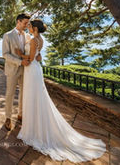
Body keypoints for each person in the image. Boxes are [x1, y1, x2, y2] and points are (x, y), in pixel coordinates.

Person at [16, 19, 106, 162]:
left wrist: (20, 53)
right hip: (36, 71)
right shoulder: (40, 39)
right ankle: (36, 126)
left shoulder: (34, 40)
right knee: (37, 98)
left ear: (35, 29)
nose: (28, 28)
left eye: (30, 26)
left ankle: (34, 130)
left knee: (33, 97)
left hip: (31, 70)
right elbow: (39, 56)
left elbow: (32, 58)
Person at [2, 13, 41, 131]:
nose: (26, 25)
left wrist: (39, 55)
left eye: (27, 24)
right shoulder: (7, 35)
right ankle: (8, 118)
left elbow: (33, 49)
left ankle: (21, 114)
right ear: (18, 22)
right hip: (13, 69)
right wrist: (20, 62)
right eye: (25, 23)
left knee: (24, 93)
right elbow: (5, 54)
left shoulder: (26, 36)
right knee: (10, 94)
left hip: (25, 70)